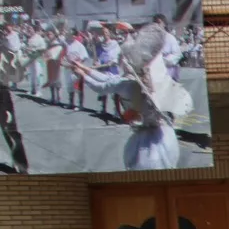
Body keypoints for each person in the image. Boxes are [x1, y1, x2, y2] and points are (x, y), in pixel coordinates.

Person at [69, 25, 192, 171]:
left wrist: (82, 74)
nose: (120, 61)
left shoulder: (127, 84)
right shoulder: (146, 80)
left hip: (146, 139)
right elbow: (106, 79)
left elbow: (101, 86)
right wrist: (83, 68)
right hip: (162, 133)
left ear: (127, 61)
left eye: (122, 58)